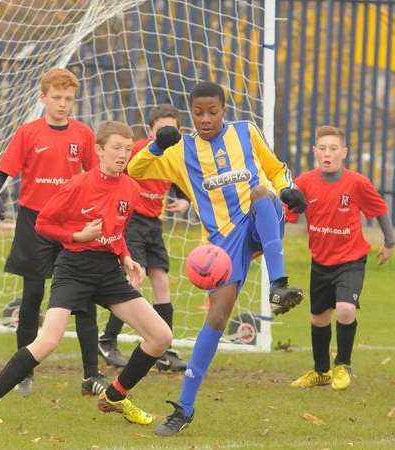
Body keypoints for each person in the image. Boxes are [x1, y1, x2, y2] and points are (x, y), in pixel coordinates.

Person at [127, 81, 307, 436]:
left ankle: (278, 285)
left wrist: (289, 188)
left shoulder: (246, 132)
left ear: (224, 110)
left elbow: (275, 168)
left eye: (213, 112)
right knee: (217, 316)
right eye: (198, 113)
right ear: (190, 114)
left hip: (260, 219)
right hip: (224, 244)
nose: (206, 119)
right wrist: (156, 144)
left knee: (260, 191)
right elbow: (135, 170)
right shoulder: (181, 151)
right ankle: (185, 407)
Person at [0, 121, 172, 425]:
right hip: (74, 269)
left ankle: (114, 396)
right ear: (99, 150)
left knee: (160, 336)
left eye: (128, 149)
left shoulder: (130, 188)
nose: (123, 155)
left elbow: (117, 232)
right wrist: (78, 236)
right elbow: (43, 225)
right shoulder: (78, 185)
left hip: (108, 272)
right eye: (116, 148)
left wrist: (127, 258)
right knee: (48, 340)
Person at [0, 68, 105, 396]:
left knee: (83, 296)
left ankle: (91, 374)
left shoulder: (83, 135)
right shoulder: (28, 133)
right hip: (35, 222)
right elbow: (2, 171)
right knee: (33, 295)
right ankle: (24, 372)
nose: (62, 104)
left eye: (68, 99)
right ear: (43, 98)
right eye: (56, 98)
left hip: (72, 223)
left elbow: (96, 177)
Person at [287, 125, 393, 390]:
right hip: (320, 261)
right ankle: (321, 372)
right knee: (318, 319)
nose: (328, 153)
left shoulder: (357, 183)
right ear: (314, 152)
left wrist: (390, 242)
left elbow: (380, 209)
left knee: (345, 309)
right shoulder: (304, 182)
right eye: (322, 148)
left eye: (334, 148)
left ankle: (343, 365)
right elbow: (286, 214)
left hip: (351, 259)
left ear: (344, 152)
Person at [98, 105, 189, 372]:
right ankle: (108, 339)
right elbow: (115, 174)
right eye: (161, 129)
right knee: (133, 281)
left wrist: (184, 200)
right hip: (133, 221)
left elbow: (180, 181)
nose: (166, 134)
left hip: (154, 223)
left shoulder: (176, 155)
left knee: (161, 280)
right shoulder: (138, 150)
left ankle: (163, 349)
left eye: (171, 129)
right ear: (151, 131)